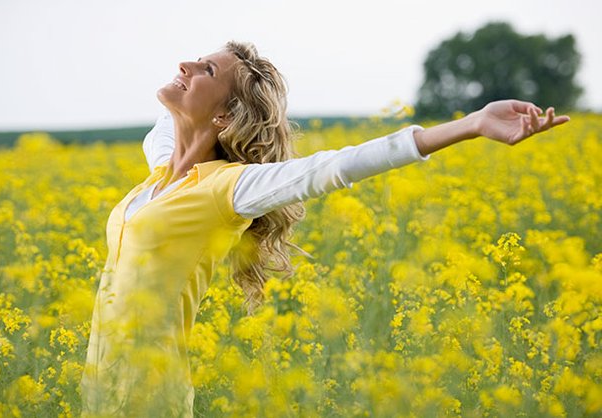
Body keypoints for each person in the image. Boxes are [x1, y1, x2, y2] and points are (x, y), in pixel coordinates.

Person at [79, 40, 570, 417]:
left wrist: (471, 124)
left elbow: (337, 166)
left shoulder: (230, 189)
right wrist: (198, 91)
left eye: (207, 70)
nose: (184, 66)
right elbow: (172, 129)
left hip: (151, 395)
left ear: (227, 115)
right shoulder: (161, 169)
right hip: (96, 385)